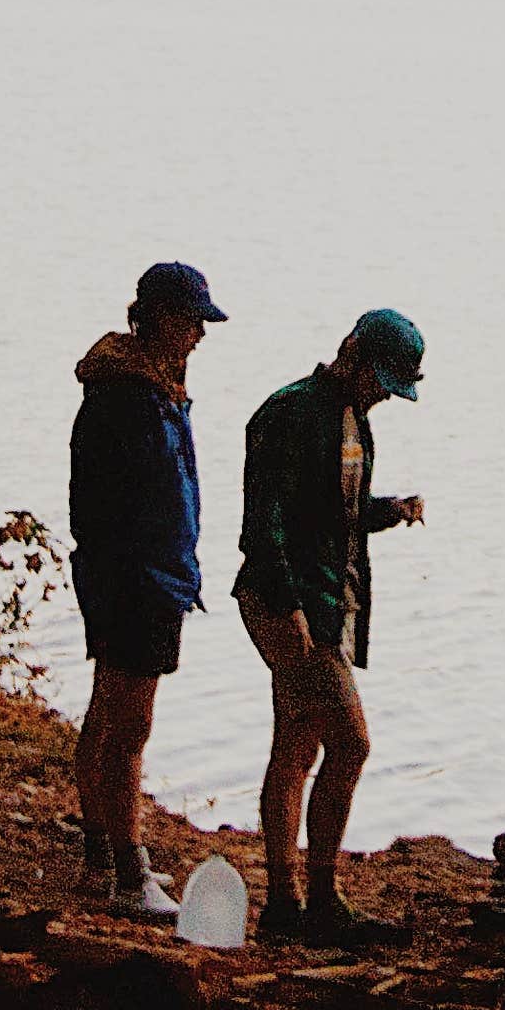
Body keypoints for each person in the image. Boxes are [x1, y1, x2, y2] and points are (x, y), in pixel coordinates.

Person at [234, 307, 429, 946]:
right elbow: (264, 524)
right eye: (378, 378)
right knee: (350, 743)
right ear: (349, 352)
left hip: (327, 603)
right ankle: (317, 896)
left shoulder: (356, 424)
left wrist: (388, 511)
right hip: (287, 604)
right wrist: (289, 608)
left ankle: (288, 904)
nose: (382, 395)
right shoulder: (287, 413)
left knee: (297, 743)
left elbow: (331, 514)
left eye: (392, 387)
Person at [69, 259, 225, 921]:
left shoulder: (154, 388)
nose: (200, 335)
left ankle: (101, 852)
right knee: (129, 726)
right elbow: (111, 502)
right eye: (193, 321)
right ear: (161, 317)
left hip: (147, 576)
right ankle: (129, 877)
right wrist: (138, 578)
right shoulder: (128, 398)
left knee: (108, 712)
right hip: (137, 580)